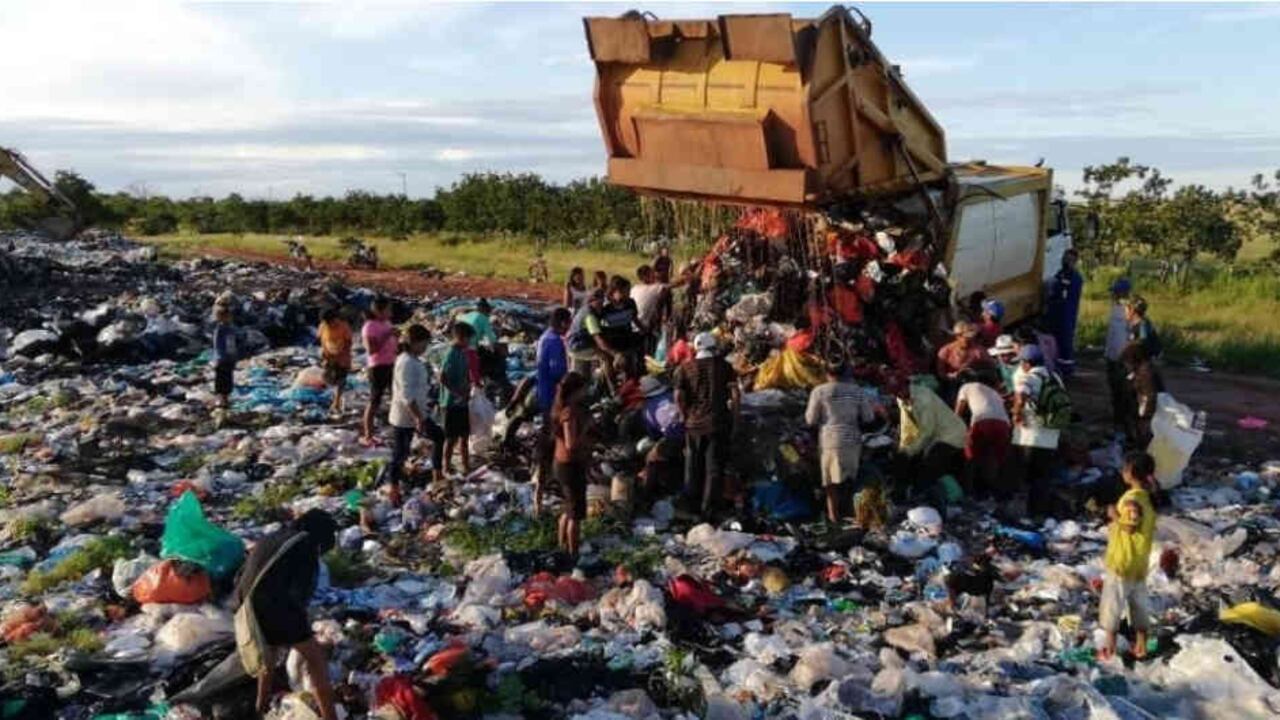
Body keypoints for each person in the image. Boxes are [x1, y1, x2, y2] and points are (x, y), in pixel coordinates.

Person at [234, 510, 340, 720]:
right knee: (315, 658)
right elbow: (301, 591)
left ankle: (261, 707)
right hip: (273, 604)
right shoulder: (304, 543)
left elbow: (242, 574)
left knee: (269, 654)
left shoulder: (273, 537)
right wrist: (301, 625)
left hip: (247, 604)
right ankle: (330, 716)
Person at [1099, 451, 1158, 661]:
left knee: (1112, 605)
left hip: (1122, 562)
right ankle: (1141, 647)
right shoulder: (1148, 498)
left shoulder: (1131, 499)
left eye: (1124, 469)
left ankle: (1110, 649)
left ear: (1131, 472)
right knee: (1139, 605)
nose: (1122, 473)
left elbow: (1131, 525)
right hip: (1140, 563)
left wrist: (1114, 515)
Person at [674, 332, 740, 518]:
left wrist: (684, 415)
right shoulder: (725, 367)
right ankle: (709, 510)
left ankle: (690, 507)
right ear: (714, 347)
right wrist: (736, 419)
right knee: (713, 467)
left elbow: (678, 396)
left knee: (692, 465)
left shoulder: (685, 368)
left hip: (693, 424)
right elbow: (735, 396)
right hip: (718, 423)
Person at [805, 362, 876, 524]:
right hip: (852, 439)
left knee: (830, 482)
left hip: (829, 440)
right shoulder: (857, 391)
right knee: (850, 479)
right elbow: (868, 417)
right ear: (846, 373)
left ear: (826, 372)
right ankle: (856, 515)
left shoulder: (819, 391)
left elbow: (810, 420)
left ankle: (834, 517)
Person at [388, 325, 446, 503]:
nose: (425, 348)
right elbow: (407, 395)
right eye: (424, 344)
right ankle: (394, 488)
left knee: (438, 436)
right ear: (414, 343)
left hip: (418, 413)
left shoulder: (413, 360)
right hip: (406, 417)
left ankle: (437, 475)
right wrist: (418, 418)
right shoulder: (406, 362)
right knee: (400, 453)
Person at [1011, 344, 1069, 515]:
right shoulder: (1054, 376)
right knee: (1043, 474)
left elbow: (1021, 396)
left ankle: (1027, 512)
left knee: (1027, 474)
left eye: (1021, 362)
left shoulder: (1028, 377)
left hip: (1031, 435)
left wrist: (1016, 414)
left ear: (1027, 363)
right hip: (1050, 433)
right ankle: (1040, 511)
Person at [896, 380, 967, 496]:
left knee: (929, 466)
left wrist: (909, 451)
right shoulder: (901, 398)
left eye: (899, 390)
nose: (898, 394)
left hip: (952, 433)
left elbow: (928, 431)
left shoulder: (923, 397)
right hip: (937, 435)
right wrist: (903, 448)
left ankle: (922, 497)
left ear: (906, 385)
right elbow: (906, 425)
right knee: (915, 459)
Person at [552, 372, 592, 557]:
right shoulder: (569, 412)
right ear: (576, 390)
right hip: (570, 465)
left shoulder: (561, 408)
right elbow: (571, 443)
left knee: (568, 509)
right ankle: (573, 555)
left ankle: (562, 547)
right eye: (583, 388)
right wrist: (586, 429)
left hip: (561, 464)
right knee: (575, 515)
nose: (586, 391)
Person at [954, 369, 1012, 497]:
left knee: (971, 457)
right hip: (1004, 424)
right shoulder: (993, 392)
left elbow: (957, 414)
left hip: (982, 421)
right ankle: (1000, 494)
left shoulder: (965, 387)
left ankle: (969, 493)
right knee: (997, 460)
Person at [360, 297, 398, 446]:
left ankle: (397, 428)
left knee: (396, 397)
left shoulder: (386, 323)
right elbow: (371, 350)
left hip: (391, 364)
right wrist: (387, 336)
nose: (390, 312)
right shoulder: (369, 326)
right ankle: (368, 434)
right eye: (388, 309)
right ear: (378, 311)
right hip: (378, 367)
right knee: (375, 400)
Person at [439, 322, 475, 476]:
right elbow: (442, 377)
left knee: (465, 436)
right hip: (450, 403)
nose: (469, 342)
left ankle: (466, 465)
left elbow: (466, 373)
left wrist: (470, 386)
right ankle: (445, 465)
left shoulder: (463, 352)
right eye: (468, 339)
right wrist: (458, 393)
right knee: (451, 438)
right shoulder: (451, 354)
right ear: (460, 337)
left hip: (463, 402)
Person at [1044, 249, 1084, 376]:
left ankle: (1066, 370)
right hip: (1055, 315)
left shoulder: (1075, 278)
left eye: (1069, 260)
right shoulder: (1060, 274)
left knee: (1065, 343)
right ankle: (1056, 368)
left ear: (1075, 262)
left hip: (1066, 316)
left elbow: (1060, 290)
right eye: (1065, 259)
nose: (1066, 262)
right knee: (1054, 342)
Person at [1105, 278, 1135, 436]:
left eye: (1115, 292)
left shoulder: (1129, 310)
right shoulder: (1115, 307)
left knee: (1123, 394)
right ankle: (1117, 424)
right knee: (1115, 392)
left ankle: (1124, 427)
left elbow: (1131, 337)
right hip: (1111, 358)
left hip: (1122, 360)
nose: (1112, 295)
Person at [598, 275, 642, 381]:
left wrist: (644, 330)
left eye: (628, 291)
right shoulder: (605, 307)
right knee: (609, 367)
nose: (628, 294)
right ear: (615, 291)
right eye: (625, 291)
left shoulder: (630, 303)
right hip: (611, 344)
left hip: (627, 340)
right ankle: (612, 389)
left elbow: (635, 319)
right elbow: (598, 329)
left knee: (631, 368)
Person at [1121, 341, 1164, 446]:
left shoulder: (1145, 373)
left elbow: (1150, 396)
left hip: (1148, 417)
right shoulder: (1142, 370)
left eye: (1126, 362)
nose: (1125, 365)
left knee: (1146, 441)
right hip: (1146, 415)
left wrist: (1144, 418)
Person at [935, 322, 988, 395]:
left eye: (971, 338)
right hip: (953, 385)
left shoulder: (978, 350)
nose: (970, 340)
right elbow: (941, 373)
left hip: (974, 384)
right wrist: (953, 376)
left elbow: (990, 366)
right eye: (966, 338)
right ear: (958, 336)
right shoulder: (945, 351)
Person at [317, 307, 352, 415]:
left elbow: (348, 343)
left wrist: (340, 355)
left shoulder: (343, 326)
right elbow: (321, 340)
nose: (330, 325)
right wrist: (324, 354)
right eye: (327, 323)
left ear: (336, 318)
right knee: (327, 378)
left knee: (341, 379)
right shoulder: (323, 326)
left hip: (342, 358)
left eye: (331, 322)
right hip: (328, 357)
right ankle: (334, 398)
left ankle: (337, 401)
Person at [630, 265, 667, 356]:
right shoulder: (654, 288)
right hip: (644, 329)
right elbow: (678, 283)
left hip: (633, 328)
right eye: (652, 273)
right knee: (647, 356)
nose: (654, 275)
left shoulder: (634, 289)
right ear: (645, 277)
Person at [211, 300, 238, 410]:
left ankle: (223, 401)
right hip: (225, 359)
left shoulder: (225, 329)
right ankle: (223, 401)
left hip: (225, 359)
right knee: (224, 381)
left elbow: (226, 345)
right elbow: (224, 345)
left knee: (224, 381)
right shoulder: (225, 329)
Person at [1125, 296, 1161, 361]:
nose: (1124, 313)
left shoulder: (1142, 324)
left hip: (1148, 356)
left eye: (1126, 311)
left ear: (1132, 311)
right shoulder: (1136, 322)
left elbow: (1143, 342)